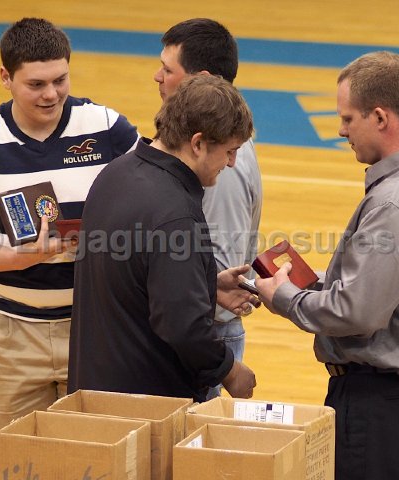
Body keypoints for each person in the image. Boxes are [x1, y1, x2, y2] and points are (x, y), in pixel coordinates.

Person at [255, 51, 399, 479]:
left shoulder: (394, 204)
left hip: (384, 411)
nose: (340, 130)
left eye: (348, 119)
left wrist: (285, 297)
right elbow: (393, 287)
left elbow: (356, 313)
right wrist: (318, 282)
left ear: (381, 117)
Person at [0, 17, 140, 434]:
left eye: (60, 80)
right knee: (22, 458)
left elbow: (149, 208)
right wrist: (18, 257)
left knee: (100, 454)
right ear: (5, 77)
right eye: (36, 84)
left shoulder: (107, 129)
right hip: (8, 336)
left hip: (96, 328)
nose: (51, 94)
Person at [68, 75, 258, 403]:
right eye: (229, 151)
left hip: (96, 388)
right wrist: (229, 370)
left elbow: (135, 278)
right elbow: (182, 325)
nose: (232, 163)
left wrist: (205, 285)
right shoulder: (176, 214)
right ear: (197, 144)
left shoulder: (115, 173)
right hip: (147, 407)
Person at [154, 18, 262, 399]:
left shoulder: (219, 165)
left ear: (198, 80)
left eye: (168, 70)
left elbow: (223, 264)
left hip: (206, 338)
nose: (157, 77)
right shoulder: (212, 146)